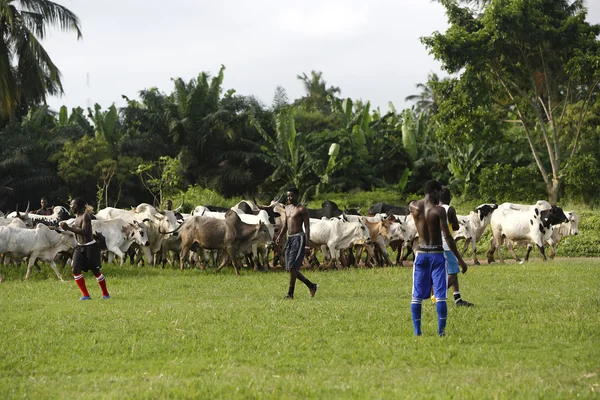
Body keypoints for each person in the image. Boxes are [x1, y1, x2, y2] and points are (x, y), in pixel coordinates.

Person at [408, 180, 467, 336]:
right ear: (434, 192)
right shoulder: (439, 211)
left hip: (421, 254)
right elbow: (448, 237)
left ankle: (417, 331)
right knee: (440, 295)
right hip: (436, 255)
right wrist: (460, 260)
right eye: (439, 192)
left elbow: (412, 203)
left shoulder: (414, 207)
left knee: (416, 296)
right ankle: (441, 332)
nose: (440, 196)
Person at [60, 197, 110, 300]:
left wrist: (68, 228)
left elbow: (84, 231)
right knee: (75, 269)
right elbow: (76, 231)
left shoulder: (85, 216)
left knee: (96, 271)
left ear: (77, 206)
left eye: (72, 206)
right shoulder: (77, 217)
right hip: (80, 247)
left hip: (90, 247)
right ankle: (86, 295)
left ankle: (105, 294)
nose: (71, 207)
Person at [276, 187, 318, 299]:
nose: (289, 198)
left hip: (298, 239)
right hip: (289, 239)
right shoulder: (287, 208)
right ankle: (311, 285)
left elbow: (307, 227)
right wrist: (280, 236)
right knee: (290, 267)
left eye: (291, 196)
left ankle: (290, 293)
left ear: (296, 196)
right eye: (288, 196)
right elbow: (285, 225)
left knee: (292, 267)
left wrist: (307, 245)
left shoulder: (302, 209)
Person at [439, 187, 473, 307]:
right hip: (447, 245)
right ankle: (438, 295)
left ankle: (457, 298)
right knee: (453, 272)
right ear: (450, 198)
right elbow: (456, 227)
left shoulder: (433, 210)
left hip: (435, 245)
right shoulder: (449, 209)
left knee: (450, 272)